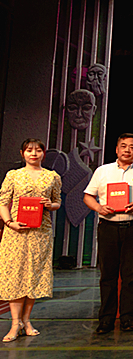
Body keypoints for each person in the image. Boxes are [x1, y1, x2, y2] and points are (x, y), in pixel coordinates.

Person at [83, 133, 133, 334]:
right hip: (108, 227)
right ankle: (106, 319)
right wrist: (99, 208)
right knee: (107, 275)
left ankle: (127, 317)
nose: (127, 150)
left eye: (132, 147)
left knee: (130, 274)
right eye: (123, 146)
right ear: (117, 149)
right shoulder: (102, 171)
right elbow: (88, 196)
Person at [0, 139, 61, 343]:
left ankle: (26, 321)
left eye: (37, 150)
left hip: (40, 232)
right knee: (15, 275)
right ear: (22, 153)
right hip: (16, 232)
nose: (33, 154)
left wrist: (50, 204)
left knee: (33, 275)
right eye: (29, 150)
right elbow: (3, 202)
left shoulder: (52, 176)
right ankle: (14, 323)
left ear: (44, 153)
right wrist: (9, 223)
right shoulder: (13, 175)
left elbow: (57, 202)